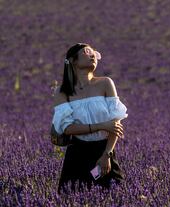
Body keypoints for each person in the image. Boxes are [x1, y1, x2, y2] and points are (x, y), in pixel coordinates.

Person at [52, 43, 128, 193]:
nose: (93, 55)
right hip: (78, 153)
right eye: (87, 52)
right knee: (71, 198)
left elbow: (115, 123)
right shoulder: (62, 91)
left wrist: (107, 154)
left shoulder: (105, 83)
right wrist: (101, 125)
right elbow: (67, 129)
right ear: (73, 61)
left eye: (94, 53)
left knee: (116, 197)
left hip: (104, 150)